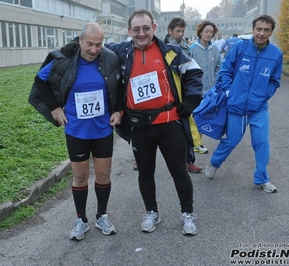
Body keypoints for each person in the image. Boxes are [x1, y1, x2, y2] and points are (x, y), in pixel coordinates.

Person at [106, 9, 203, 236]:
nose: (142, 33)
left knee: (179, 171)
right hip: (139, 126)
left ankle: (187, 213)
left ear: (154, 28)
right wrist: (75, 44)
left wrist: (190, 101)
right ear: (129, 31)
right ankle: (152, 212)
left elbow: (195, 73)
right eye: (137, 29)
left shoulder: (171, 51)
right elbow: (95, 45)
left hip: (169, 123)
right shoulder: (122, 52)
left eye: (146, 28)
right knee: (145, 173)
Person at [33, 22, 122, 240]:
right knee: (80, 177)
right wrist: (54, 108)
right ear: (80, 40)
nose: (94, 50)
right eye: (89, 44)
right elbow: (39, 81)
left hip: (102, 130)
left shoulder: (109, 58)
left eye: (98, 45)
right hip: (76, 131)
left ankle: (102, 215)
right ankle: (81, 219)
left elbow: (119, 86)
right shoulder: (63, 61)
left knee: (103, 175)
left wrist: (119, 110)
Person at [205, 15, 283, 194]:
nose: (261, 33)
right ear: (253, 29)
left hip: (259, 108)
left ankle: (262, 179)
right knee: (231, 140)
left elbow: (275, 80)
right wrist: (229, 91)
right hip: (236, 106)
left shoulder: (276, 54)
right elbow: (225, 70)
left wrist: (264, 95)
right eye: (259, 29)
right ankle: (214, 163)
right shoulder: (240, 47)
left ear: (271, 31)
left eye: (266, 30)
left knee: (262, 142)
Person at [167, 17, 203, 174]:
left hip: (183, 97)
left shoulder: (187, 50)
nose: (181, 34)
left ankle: (189, 161)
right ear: (170, 32)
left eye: (182, 31)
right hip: (167, 97)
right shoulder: (162, 49)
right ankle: (141, 160)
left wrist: (191, 98)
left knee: (186, 129)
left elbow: (192, 74)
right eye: (177, 31)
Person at [189, 21, 222, 154]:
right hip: (195, 90)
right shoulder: (192, 49)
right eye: (206, 31)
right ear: (200, 32)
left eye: (211, 32)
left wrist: (215, 80)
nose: (209, 34)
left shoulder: (216, 50)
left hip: (210, 91)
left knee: (203, 117)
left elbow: (219, 67)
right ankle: (192, 143)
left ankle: (197, 144)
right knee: (194, 117)